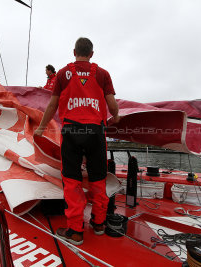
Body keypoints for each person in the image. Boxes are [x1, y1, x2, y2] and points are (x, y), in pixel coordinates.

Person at [34, 37, 120, 245]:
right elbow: (112, 104)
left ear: (74, 52)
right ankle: (99, 224)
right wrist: (116, 117)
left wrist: (41, 127)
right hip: (95, 133)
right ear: (92, 54)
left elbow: (53, 104)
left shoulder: (63, 74)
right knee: (98, 178)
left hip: (71, 131)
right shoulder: (102, 74)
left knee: (72, 181)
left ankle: (75, 231)